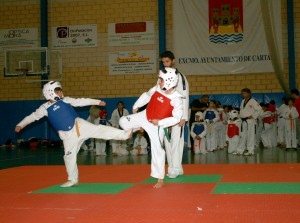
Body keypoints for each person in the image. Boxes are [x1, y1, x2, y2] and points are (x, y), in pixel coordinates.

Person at [15, 81, 131, 187]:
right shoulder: (44, 108)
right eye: (58, 90)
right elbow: (32, 117)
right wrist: (21, 124)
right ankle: (73, 179)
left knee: (99, 130)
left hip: (79, 126)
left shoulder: (65, 100)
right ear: (50, 93)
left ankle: (124, 135)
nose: (61, 92)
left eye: (60, 90)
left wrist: (97, 102)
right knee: (68, 157)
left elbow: (80, 101)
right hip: (68, 136)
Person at [119, 68, 183, 188]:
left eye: (161, 79)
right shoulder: (157, 88)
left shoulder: (176, 98)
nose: (158, 81)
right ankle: (139, 127)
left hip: (157, 125)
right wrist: (137, 105)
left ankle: (160, 179)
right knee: (123, 121)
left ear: (170, 81)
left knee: (157, 150)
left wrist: (160, 122)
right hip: (145, 116)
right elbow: (147, 95)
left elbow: (177, 119)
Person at [160, 51, 189, 178]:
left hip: (178, 114)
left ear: (173, 61)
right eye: (163, 62)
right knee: (167, 141)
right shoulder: (162, 77)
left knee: (177, 141)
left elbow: (185, 97)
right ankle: (175, 167)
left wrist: (183, 116)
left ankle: (175, 169)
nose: (165, 64)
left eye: (167, 61)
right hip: (166, 114)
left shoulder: (180, 77)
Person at [237, 88, 262, 156]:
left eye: (245, 93)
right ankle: (241, 150)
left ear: (249, 93)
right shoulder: (242, 101)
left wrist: (253, 116)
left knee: (250, 135)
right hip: (243, 120)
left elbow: (259, 109)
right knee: (243, 135)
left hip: (250, 121)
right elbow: (242, 110)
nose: (243, 94)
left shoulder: (253, 101)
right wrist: (240, 116)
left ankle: (250, 150)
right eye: (243, 93)